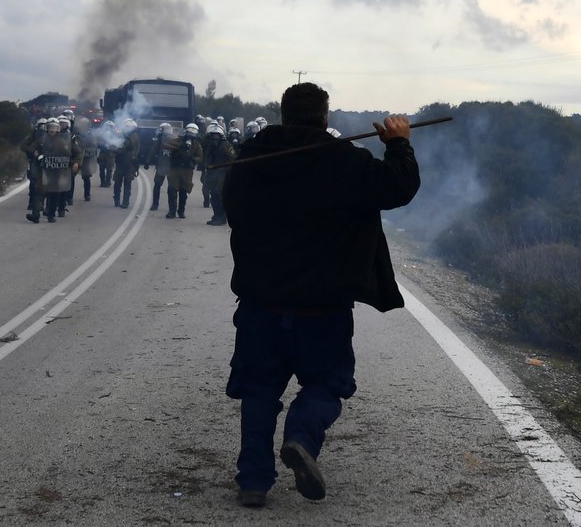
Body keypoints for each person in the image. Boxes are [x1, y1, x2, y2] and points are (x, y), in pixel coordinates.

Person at [222, 82, 420, 508]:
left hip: (261, 305)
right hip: (323, 308)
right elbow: (398, 187)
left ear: (283, 114)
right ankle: (301, 436)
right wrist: (399, 143)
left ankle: (254, 481)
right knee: (328, 384)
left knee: (258, 391)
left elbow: (232, 211)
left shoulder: (252, 160)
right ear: (324, 116)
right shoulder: (344, 161)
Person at [166, 122, 203, 219]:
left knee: (183, 191)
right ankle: (172, 211)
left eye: (193, 132)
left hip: (187, 170)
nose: (191, 134)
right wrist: (180, 146)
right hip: (175, 168)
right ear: (186, 132)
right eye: (189, 131)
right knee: (172, 190)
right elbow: (167, 143)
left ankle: (181, 211)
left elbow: (200, 158)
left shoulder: (196, 145)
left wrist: (192, 158)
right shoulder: (179, 140)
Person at [202, 123, 236, 226]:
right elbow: (207, 159)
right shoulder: (210, 146)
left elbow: (234, 159)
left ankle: (221, 217)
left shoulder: (227, 146)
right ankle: (217, 215)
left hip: (223, 174)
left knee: (218, 195)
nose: (214, 137)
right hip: (213, 175)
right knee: (214, 196)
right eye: (213, 135)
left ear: (221, 136)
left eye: (217, 135)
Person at [144, 123, 175, 211]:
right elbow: (153, 150)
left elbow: (152, 151)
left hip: (168, 167)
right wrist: (147, 161)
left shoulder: (173, 140)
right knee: (162, 186)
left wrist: (147, 162)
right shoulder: (162, 140)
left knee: (165, 186)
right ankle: (164, 206)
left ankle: (158, 205)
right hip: (164, 166)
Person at [112, 118, 141, 209]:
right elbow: (116, 148)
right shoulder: (121, 135)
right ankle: (117, 200)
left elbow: (131, 146)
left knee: (127, 184)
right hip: (120, 164)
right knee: (117, 184)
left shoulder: (134, 137)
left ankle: (125, 202)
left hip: (129, 164)